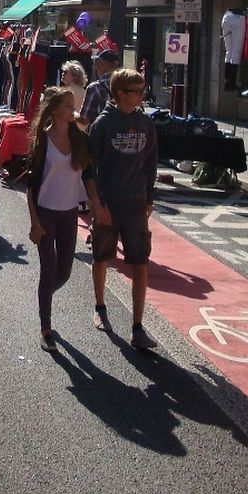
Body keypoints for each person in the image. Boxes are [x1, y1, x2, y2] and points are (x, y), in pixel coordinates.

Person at [88, 68, 159, 351]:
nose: (142, 96)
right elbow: (88, 168)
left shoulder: (145, 123)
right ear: (120, 94)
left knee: (140, 262)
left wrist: (149, 197)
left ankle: (138, 327)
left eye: (143, 90)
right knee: (102, 256)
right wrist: (96, 203)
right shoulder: (103, 125)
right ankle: (100, 306)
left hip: (136, 203)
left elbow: (151, 162)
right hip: (108, 204)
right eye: (137, 91)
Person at [25, 87, 96, 353]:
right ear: (54, 110)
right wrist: (34, 222)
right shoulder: (42, 140)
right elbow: (31, 185)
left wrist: (96, 203)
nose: (72, 109)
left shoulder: (80, 138)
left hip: (69, 212)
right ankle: (46, 328)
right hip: (45, 211)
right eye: (67, 105)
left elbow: (88, 174)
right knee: (48, 268)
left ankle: (44, 297)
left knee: (64, 271)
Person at [79, 49, 119, 130]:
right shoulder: (128, 85)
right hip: (124, 133)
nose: (96, 66)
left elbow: (84, 120)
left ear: (101, 64)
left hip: (101, 134)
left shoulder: (95, 88)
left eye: (97, 63)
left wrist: (72, 112)